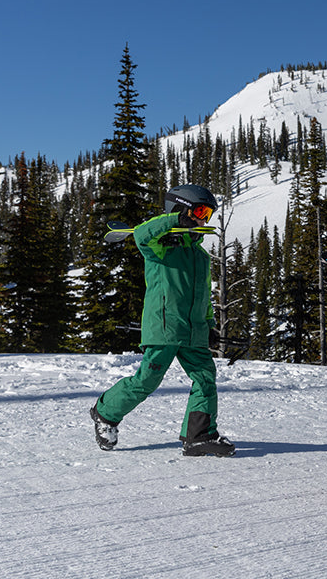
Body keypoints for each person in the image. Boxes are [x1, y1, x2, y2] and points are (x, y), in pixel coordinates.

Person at [89, 184, 235, 457]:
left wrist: (210, 324)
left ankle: (199, 436)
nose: (204, 220)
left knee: (205, 379)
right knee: (147, 380)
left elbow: (204, 295)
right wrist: (171, 223)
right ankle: (105, 413)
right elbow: (143, 234)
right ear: (180, 209)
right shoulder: (159, 248)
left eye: (208, 214)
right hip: (165, 328)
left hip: (193, 331)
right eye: (200, 211)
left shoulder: (201, 256)